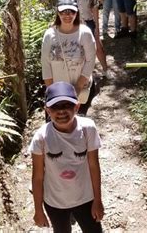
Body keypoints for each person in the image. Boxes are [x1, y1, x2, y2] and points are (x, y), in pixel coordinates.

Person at [29, 81, 104, 232]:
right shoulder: (41, 138)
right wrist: (38, 210)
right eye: (55, 107)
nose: (61, 111)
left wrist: (98, 200)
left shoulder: (88, 129)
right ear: (47, 110)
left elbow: (94, 166)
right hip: (55, 202)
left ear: (77, 107)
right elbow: (37, 177)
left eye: (67, 105)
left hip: (86, 198)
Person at [41, 0, 96, 116]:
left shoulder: (85, 33)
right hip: (57, 94)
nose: (68, 15)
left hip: (81, 90)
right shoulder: (49, 35)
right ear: (58, 12)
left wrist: (77, 88)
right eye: (63, 11)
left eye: (71, 11)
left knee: (77, 127)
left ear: (77, 12)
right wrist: (52, 92)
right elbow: (46, 66)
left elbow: (90, 61)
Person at [63, 0, 111, 79]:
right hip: (73, 24)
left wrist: (97, 28)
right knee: (78, 51)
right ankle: (84, 76)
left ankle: (105, 70)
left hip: (88, 22)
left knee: (98, 46)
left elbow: (94, 8)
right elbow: (63, 6)